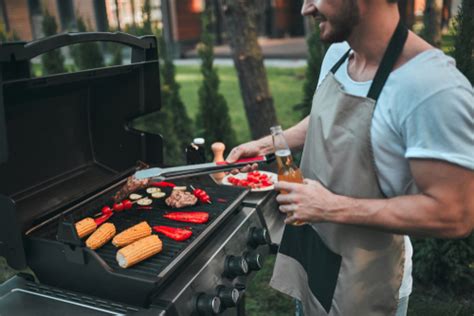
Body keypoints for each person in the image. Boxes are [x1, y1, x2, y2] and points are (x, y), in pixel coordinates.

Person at [226, 0, 474, 315]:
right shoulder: (338, 53)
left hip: (366, 279)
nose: (305, 9)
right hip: (313, 256)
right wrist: (267, 145)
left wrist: (330, 207)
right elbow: (323, 118)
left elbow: (454, 213)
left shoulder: (431, 87)